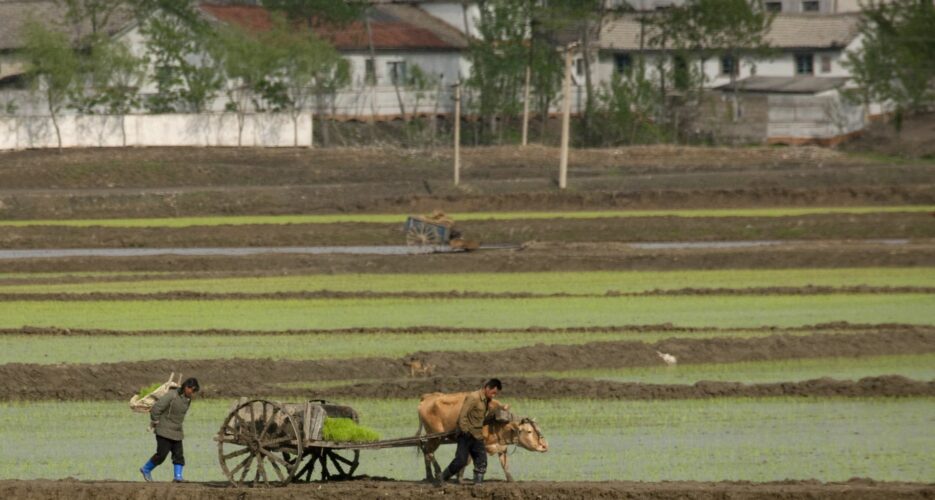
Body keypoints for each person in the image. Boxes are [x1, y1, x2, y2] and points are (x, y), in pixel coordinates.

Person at [436, 378, 502, 486]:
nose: (494, 395)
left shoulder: (486, 400)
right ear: (487, 388)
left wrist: (491, 419)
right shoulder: (473, 397)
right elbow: (463, 415)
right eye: (493, 393)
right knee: (461, 461)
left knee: (481, 460)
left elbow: (479, 419)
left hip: (477, 435)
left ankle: (478, 484)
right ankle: (443, 477)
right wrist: (464, 430)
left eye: (496, 394)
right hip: (466, 434)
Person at [139, 377, 199, 483]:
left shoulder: (188, 399)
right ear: (185, 387)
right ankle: (146, 469)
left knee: (179, 455)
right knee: (161, 455)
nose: (191, 392)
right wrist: (156, 421)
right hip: (164, 430)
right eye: (190, 389)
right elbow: (156, 408)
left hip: (177, 430)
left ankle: (178, 476)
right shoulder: (172, 395)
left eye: (194, 390)